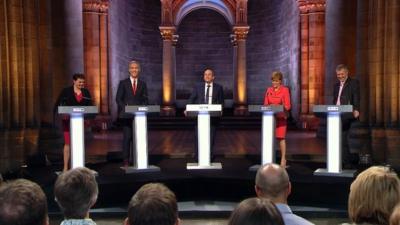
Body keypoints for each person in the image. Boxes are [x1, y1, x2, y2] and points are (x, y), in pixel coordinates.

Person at [55, 74, 93, 172]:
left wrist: (89, 118)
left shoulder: (86, 92)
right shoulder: (66, 91)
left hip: (80, 122)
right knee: (67, 143)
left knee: (79, 143)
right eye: (80, 82)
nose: (82, 84)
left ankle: (79, 166)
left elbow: (90, 106)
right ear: (74, 81)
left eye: (83, 82)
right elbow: (58, 104)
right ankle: (65, 167)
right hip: (68, 121)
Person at [116, 60, 148, 167]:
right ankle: (126, 160)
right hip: (126, 116)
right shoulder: (123, 83)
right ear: (129, 70)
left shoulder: (143, 84)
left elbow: (145, 99)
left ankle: (136, 159)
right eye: (132, 68)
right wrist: (125, 108)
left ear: (139, 70)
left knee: (137, 138)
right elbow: (118, 99)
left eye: (136, 68)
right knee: (127, 137)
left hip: (139, 117)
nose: (134, 70)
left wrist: (142, 107)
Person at [186, 68, 224, 159]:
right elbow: (192, 99)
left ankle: (209, 156)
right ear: (203, 77)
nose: (207, 76)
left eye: (209, 74)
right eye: (205, 74)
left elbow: (221, 102)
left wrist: (221, 110)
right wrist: (187, 108)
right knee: (198, 137)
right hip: (199, 117)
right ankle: (198, 156)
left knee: (211, 138)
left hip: (213, 117)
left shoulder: (219, 87)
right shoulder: (197, 87)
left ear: (213, 77)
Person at [333, 64, 360, 167]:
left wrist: (356, 109)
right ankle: (342, 161)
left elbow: (356, 97)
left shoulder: (353, 83)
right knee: (338, 139)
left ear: (347, 73)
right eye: (338, 74)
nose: (340, 76)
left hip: (347, 115)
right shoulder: (335, 85)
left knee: (343, 138)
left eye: (342, 74)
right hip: (335, 115)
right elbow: (334, 101)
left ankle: (347, 162)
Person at [263, 71, 291, 167]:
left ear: (280, 81)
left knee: (281, 138)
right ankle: (269, 158)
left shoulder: (285, 90)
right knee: (269, 138)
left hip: (281, 117)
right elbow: (265, 104)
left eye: (276, 81)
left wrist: (278, 106)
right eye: (273, 81)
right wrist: (270, 106)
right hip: (270, 118)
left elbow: (287, 106)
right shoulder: (268, 90)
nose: (274, 83)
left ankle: (283, 158)